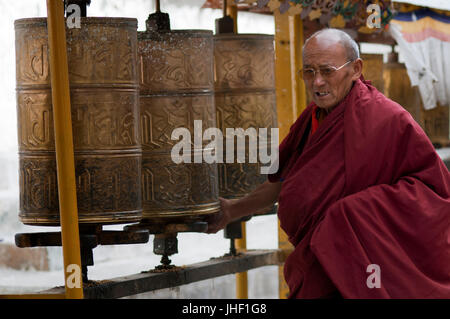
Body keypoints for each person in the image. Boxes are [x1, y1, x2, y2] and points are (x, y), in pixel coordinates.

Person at [206, 28, 450, 298]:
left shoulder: (387, 119)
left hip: (361, 259)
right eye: (308, 72)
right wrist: (233, 210)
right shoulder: (311, 120)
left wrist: (352, 214)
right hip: (318, 256)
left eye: (327, 71)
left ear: (356, 69)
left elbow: (434, 194)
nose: (317, 82)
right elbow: (286, 182)